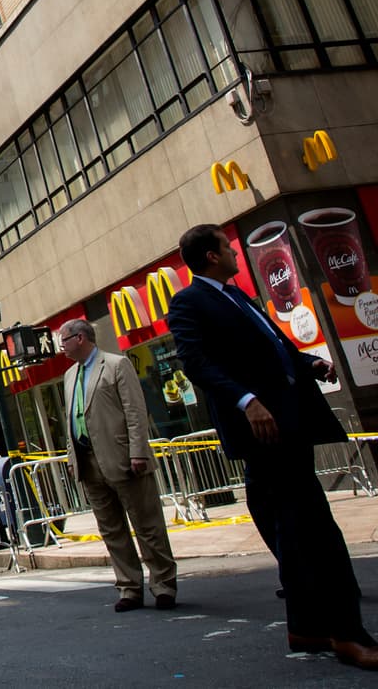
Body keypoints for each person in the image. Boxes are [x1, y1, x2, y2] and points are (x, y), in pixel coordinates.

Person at [167, 224, 376, 670]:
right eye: (227, 248)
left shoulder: (236, 295)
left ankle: (307, 626)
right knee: (316, 530)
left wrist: (308, 363)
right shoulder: (190, 301)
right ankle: (348, 634)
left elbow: (271, 347)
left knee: (294, 529)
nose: (235, 255)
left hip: (289, 419)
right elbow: (196, 362)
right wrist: (247, 401)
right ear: (209, 256)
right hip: (264, 429)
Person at [58, 318, 177, 612]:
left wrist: (137, 451)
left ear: (81, 338)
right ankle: (129, 588)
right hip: (88, 464)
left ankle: (163, 585)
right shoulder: (69, 376)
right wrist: (73, 461)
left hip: (123, 458)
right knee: (112, 530)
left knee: (147, 525)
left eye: (65, 340)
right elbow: (72, 419)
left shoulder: (116, 365)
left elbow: (135, 412)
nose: (61, 346)